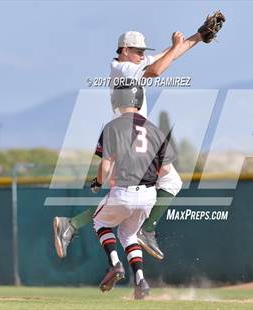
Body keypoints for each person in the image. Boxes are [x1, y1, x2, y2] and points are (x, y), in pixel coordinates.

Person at [53, 29, 203, 260]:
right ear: (124, 51)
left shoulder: (133, 64)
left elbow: (169, 56)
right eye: (138, 51)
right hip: (128, 138)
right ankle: (146, 229)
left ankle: (71, 224)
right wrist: (174, 47)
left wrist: (199, 35)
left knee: (124, 201)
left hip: (133, 136)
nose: (142, 55)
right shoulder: (123, 68)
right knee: (162, 185)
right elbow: (157, 69)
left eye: (144, 51)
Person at [94, 84, 175, 299]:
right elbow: (165, 169)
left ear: (119, 100)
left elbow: (105, 166)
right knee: (129, 235)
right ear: (138, 101)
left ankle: (114, 265)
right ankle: (140, 280)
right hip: (149, 194)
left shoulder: (113, 127)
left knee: (100, 222)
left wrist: (97, 181)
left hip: (123, 190)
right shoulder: (155, 128)